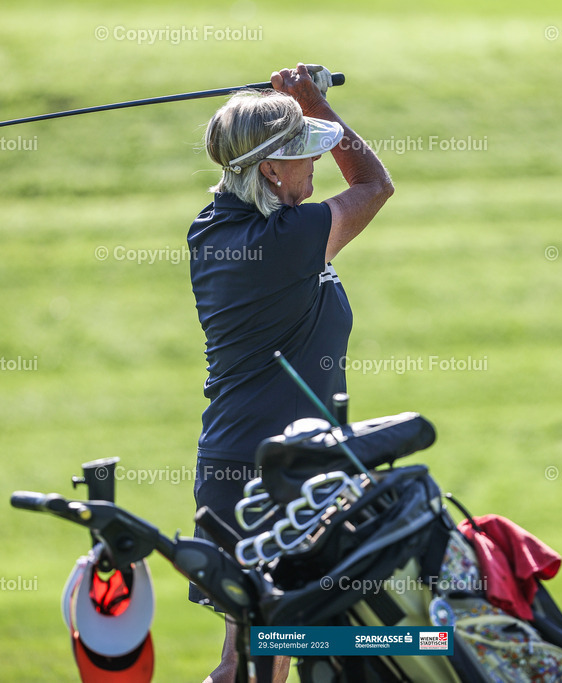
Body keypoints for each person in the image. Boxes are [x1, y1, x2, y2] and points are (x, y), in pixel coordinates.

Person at [187, 63, 394, 682]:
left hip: (253, 466)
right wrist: (309, 102)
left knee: (255, 662)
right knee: (265, 663)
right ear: (272, 170)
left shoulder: (215, 226)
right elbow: (375, 185)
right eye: (304, 155)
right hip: (276, 478)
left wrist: (288, 113)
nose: (316, 165)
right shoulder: (286, 239)